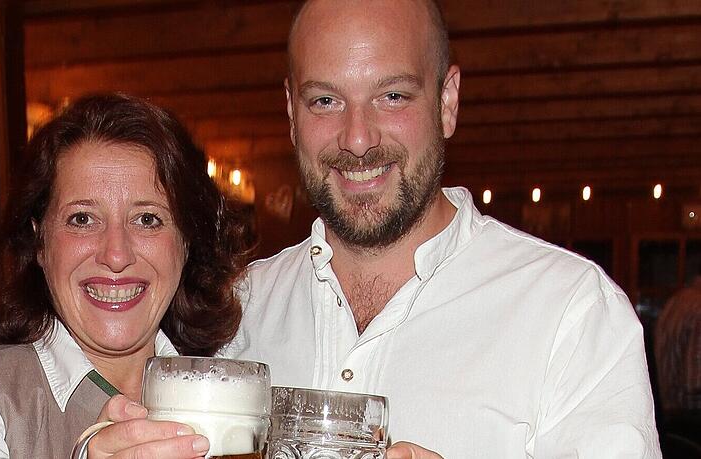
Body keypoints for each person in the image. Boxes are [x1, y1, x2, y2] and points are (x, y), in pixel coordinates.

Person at [222, 0, 661, 457]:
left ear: (447, 101)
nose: (357, 139)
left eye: (392, 96)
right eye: (325, 101)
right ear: (292, 112)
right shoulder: (236, 310)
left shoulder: (572, 311)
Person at [0, 94, 247, 458]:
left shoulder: (233, 397)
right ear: (40, 243)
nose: (116, 255)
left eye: (147, 219)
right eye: (82, 219)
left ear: (186, 244)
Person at [655, 264, 701, 419]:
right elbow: (694, 384)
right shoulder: (698, 306)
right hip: (689, 418)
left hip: (667, 414)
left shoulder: (674, 301)